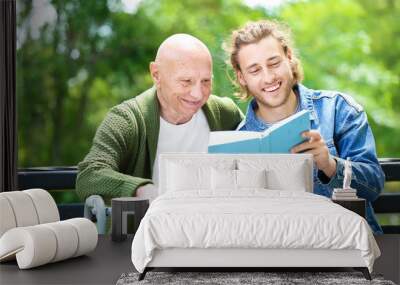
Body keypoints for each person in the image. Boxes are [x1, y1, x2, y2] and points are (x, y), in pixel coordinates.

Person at [227, 20, 385, 234]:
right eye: (255, 70)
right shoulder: (239, 140)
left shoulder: (339, 110)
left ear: (289, 57)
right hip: (281, 256)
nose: (269, 77)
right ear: (241, 77)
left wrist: (329, 165)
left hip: (349, 252)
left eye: (274, 63)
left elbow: (374, 185)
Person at [76, 34, 243, 202]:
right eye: (186, 81)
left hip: (213, 224)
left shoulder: (224, 113)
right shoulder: (126, 120)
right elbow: (90, 175)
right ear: (156, 74)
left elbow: (260, 150)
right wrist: (142, 190)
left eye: (206, 81)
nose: (197, 94)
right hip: (149, 226)